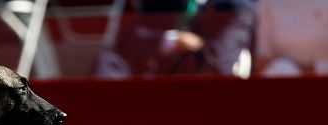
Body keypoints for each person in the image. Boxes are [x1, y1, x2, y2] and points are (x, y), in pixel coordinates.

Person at [93, 0, 256, 78]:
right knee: (106, 63)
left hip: (193, 93)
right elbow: (127, 39)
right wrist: (173, 41)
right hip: (148, 83)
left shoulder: (235, 8)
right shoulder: (162, 3)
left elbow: (217, 64)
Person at [255, 0, 328, 76]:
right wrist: (285, 69)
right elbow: (263, 59)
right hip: (281, 89)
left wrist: (300, 71)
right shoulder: (267, 3)